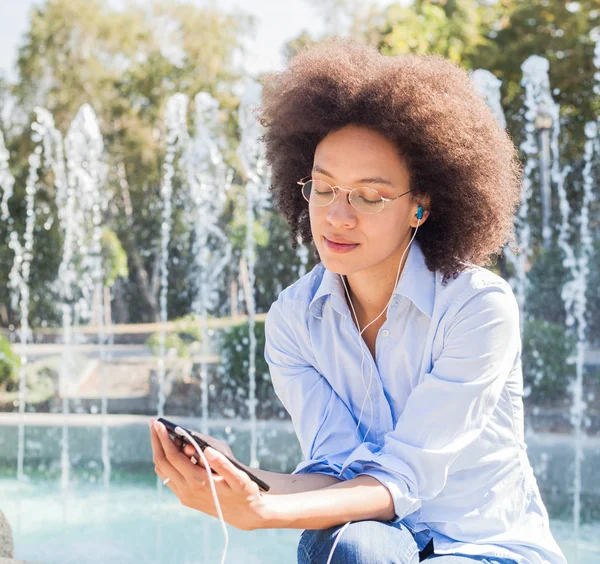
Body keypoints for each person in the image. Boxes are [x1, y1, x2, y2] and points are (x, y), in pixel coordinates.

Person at [149, 38, 568, 564]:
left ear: (420, 206)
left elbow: (402, 479)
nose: (337, 217)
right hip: (382, 542)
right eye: (323, 189)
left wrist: (263, 513)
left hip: (486, 549)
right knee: (351, 545)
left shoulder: (477, 306)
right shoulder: (294, 320)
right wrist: (238, 480)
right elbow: (338, 472)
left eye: (368, 196)